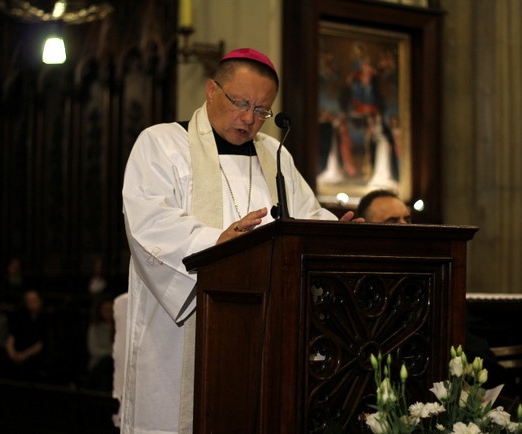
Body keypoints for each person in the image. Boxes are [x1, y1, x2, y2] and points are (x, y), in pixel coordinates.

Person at [121, 47, 360, 434]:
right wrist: (217, 242)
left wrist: (337, 234)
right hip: (180, 332)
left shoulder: (274, 154)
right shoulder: (162, 143)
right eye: (241, 103)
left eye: (263, 111)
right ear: (211, 89)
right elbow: (149, 223)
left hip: (264, 329)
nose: (250, 119)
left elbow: (305, 218)